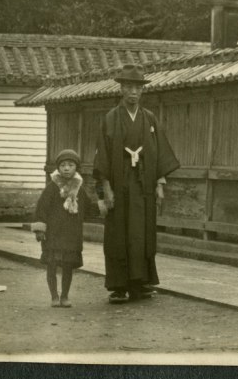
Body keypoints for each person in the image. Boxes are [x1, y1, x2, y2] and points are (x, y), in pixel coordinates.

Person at [93, 64, 180, 304]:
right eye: (129, 87)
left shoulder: (149, 118)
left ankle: (140, 283)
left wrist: (159, 183)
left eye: (137, 88)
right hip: (120, 183)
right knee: (119, 235)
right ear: (121, 89)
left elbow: (159, 151)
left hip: (143, 184)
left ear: (142, 92)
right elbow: (103, 156)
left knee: (141, 234)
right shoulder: (111, 118)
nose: (133, 92)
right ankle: (119, 286)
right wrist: (106, 189)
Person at [31, 148, 92, 307]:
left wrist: (106, 207)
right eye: (63, 165)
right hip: (53, 234)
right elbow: (41, 208)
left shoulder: (79, 188)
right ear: (58, 168)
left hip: (72, 234)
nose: (66, 168)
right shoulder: (52, 187)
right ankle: (54, 296)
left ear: (76, 167)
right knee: (52, 265)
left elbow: (88, 209)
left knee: (67, 266)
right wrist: (40, 229)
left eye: (70, 165)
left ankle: (65, 296)